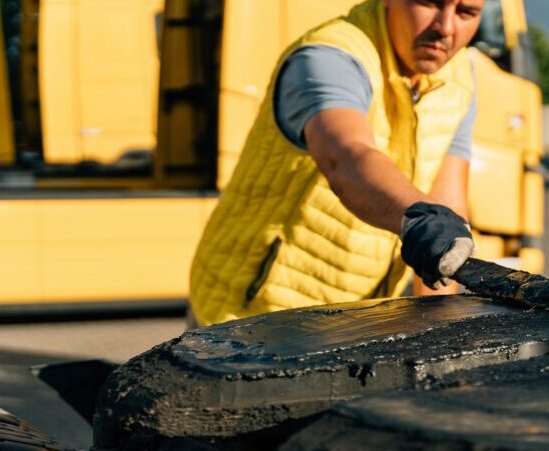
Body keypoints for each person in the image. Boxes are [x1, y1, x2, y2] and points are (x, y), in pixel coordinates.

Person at [188, 0, 484, 326]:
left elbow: (447, 206)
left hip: (351, 319)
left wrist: (438, 331)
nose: (446, 27)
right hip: (249, 313)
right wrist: (423, 219)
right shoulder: (329, 56)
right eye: (430, 3)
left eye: (466, 12)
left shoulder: (458, 78)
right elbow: (345, 158)